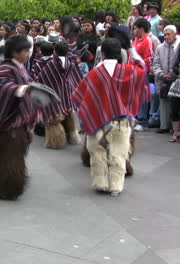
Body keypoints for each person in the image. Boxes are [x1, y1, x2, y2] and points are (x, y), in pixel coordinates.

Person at [72, 38, 149, 196]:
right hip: (121, 122)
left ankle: (100, 183)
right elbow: (143, 67)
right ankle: (116, 186)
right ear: (119, 54)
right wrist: (132, 50)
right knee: (119, 153)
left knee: (97, 151)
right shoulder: (128, 71)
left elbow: (80, 95)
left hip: (98, 120)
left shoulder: (95, 73)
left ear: (103, 53)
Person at [0, 35, 40, 200]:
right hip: (9, 122)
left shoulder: (21, 67)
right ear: (14, 52)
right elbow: (1, 87)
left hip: (20, 122)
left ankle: (9, 186)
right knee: (8, 158)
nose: (28, 53)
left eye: (28, 50)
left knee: (14, 157)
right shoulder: (6, 68)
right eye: (24, 50)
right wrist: (21, 89)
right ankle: (4, 188)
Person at [37, 41, 82, 149]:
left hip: (54, 94)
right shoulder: (70, 63)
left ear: (55, 51)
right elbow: (76, 78)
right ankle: (73, 136)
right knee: (68, 114)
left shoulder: (51, 64)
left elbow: (42, 79)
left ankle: (56, 141)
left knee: (54, 117)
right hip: (67, 93)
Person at [153, 25, 179, 134]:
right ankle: (164, 126)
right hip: (163, 79)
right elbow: (155, 64)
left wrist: (174, 74)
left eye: (169, 34)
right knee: (163, 102)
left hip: (176, 79)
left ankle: (176, 128)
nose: (166, 37)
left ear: (174, 35)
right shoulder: (160, 47)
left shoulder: (178, 46)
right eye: (165, 34)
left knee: (175, 103)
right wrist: (162, 75)